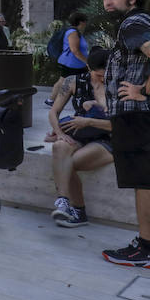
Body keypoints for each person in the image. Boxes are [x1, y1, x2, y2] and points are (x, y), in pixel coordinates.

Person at [100, 0, 150, 269]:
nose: (108, 1)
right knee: (148, 178)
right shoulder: (142, 23)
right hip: (148, 115)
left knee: (143, 180)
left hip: (137, 114)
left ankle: (148, 250)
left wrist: (143, 91)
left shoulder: (133, 22)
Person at [48, 47, 115, 229]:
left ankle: (79, 210)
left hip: (108, 138)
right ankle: (63, 201)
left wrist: (89, 121)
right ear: (88, 68)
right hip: (80, 133)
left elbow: (120, 125)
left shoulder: (118, 86)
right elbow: (54, 112)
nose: (101, 78)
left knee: (70, 163)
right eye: (98, 75)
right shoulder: (73, 81)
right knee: (60, 147)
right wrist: (59, 132)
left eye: (105, 75)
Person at [56, 11, 90, 77]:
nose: (86, 24)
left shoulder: (76, 32)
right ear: (81, 22)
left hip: (76, 64)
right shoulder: (73, 33)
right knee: (65, 83)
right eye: (85, 21)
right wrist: (87, 62)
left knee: (63, 82)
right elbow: (75, 50)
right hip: (71, 64)